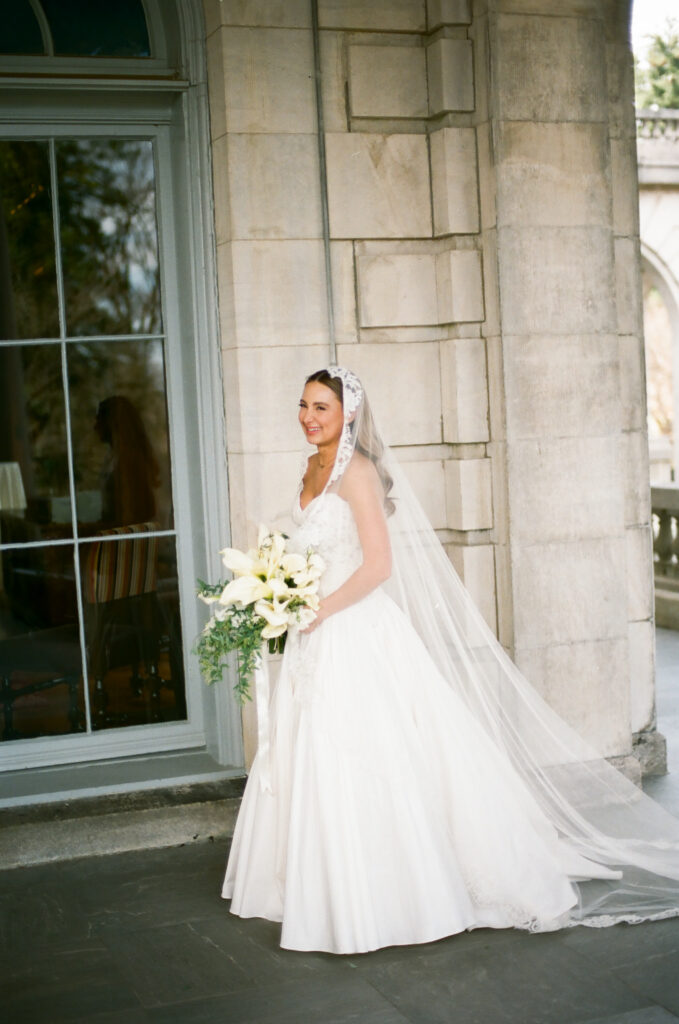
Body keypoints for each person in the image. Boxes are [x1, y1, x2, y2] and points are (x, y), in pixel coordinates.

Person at [222, 366, 679, 955]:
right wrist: (282, 591)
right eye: (304, 405)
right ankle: (317, 880)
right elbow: (309, 547)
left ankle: (395, 890)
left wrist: (317, 609)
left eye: (322, 408)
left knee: (367, 749)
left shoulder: (358, 473)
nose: (309, 417)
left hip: (352, 628)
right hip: (318, 632)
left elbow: (378, 566)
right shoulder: (310, 467)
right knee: (314, 748)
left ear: (349, 414)